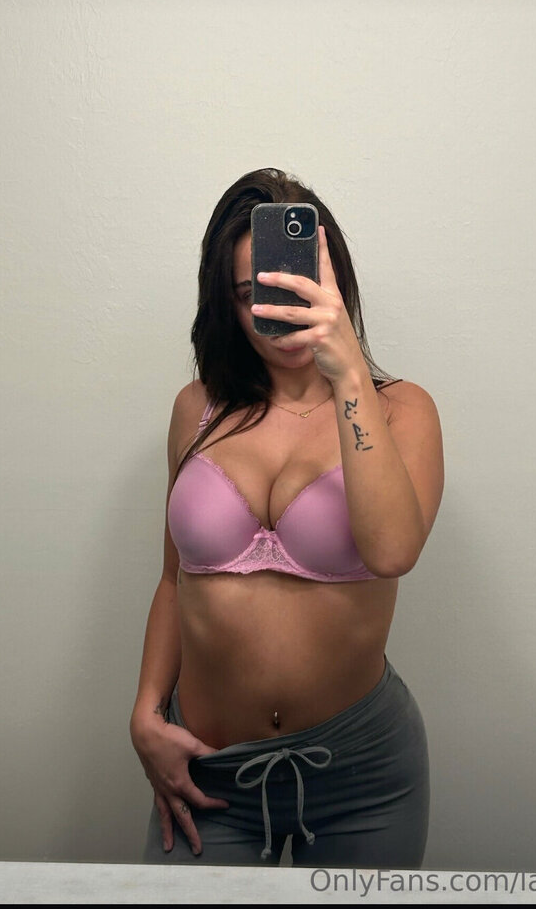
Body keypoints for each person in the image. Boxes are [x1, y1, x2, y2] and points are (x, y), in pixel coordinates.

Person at [130, 168, 444, 868]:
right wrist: (146, 713)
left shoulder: (402, 411)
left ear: (335, 283)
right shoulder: (197, 408)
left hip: (363, 777)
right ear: (227, 304)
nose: (281, 311)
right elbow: (174, 581)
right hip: (207, 771)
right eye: (253, 294)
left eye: (299, 285)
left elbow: (392, 551)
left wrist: (348, 373)